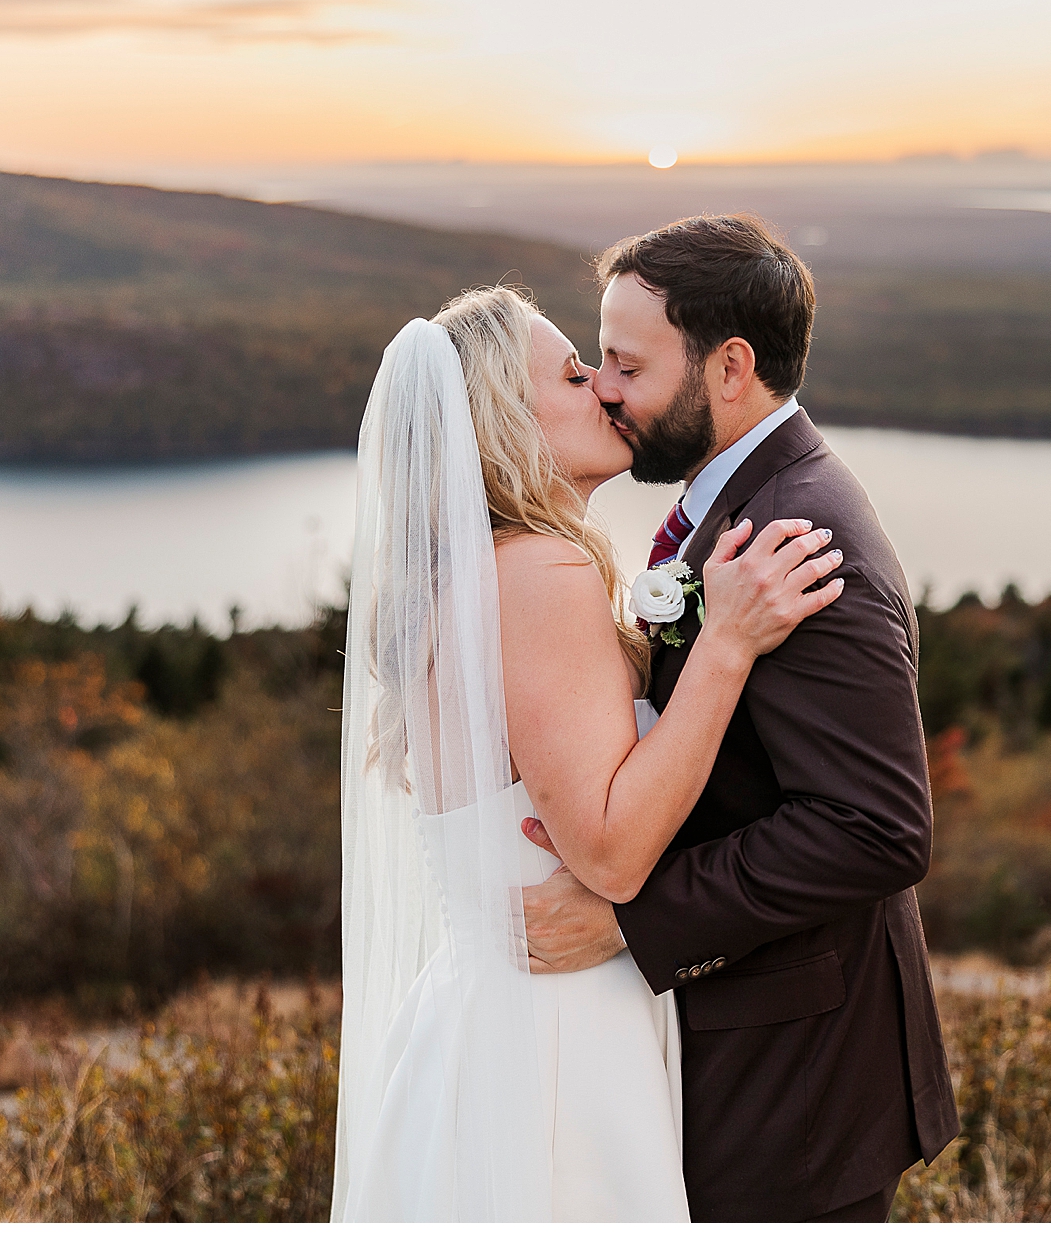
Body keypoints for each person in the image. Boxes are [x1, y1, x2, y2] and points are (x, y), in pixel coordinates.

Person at [332, 286, 843, 1220]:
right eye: (574, 373)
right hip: (556, 1041)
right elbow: (608, 850)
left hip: (490, 1018)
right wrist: (724, 645)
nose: (606, 390)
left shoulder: (478, 573)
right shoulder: (538, 571)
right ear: (504, 419)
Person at [521, 214, 961, 1222]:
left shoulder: (799, 542)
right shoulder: (730, 509)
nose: (603, 388)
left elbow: (875, 828)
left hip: (798, 1078)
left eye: (627, 364)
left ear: (728, 368)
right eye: (597, 361)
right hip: (761, 1053)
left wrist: (636, 920)